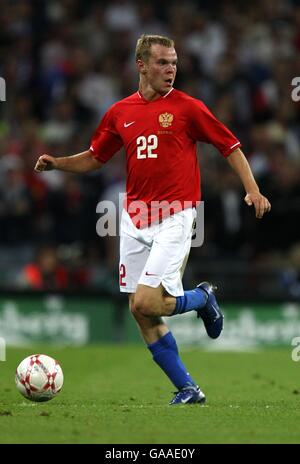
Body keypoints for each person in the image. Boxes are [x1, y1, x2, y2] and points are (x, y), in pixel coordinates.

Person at [34, 34, 271, 405]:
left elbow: (230, 145)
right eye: (162, 62)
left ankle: (201, 298)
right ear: (141, 65)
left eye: (174, 62)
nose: (171, 69)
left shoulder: (188, 107)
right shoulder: (119, 112)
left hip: (176, 216)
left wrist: (252, 189)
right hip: (134, 217)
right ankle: (188, 388)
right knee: (139, 310)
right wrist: (58, 163)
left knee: (147, 302)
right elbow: (96, 157)